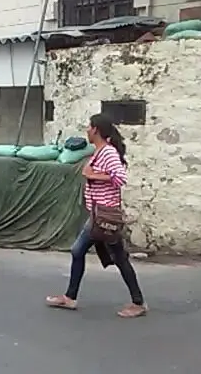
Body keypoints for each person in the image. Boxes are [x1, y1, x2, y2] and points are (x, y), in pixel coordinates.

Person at [45, 113, 147, 319]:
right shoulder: (99, 152)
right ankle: (70, 297)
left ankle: (138, 302)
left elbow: (120, 178)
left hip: (105, 215)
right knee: (84, 252)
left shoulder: (108, 153)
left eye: (89, 127)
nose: (87, 130)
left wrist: (93, 175)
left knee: (113, 257)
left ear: (97, 130)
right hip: (97, 214)